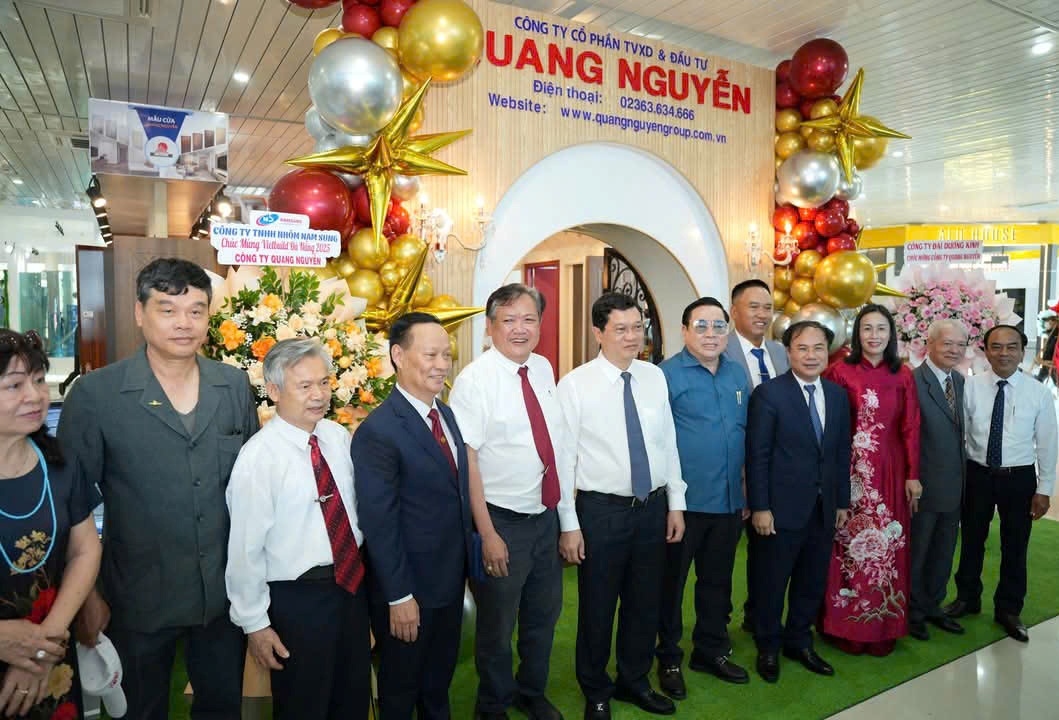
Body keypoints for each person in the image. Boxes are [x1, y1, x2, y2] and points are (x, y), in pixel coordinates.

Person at [58, 258, 259, 719]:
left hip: (222, 594)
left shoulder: (232, 385)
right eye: (167, 310)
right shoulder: (97, 395)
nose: (183, 323)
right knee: (141, 710)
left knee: (222, 708)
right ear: (139, 313)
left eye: (196, 311)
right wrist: (87, 595)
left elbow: (252, 487)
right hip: (136, 596)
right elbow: (71, 502)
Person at [557, 292, 686, 720]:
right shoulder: (575, 385)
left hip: (652, 508)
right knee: (597, 606)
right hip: (601, 511)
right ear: (599, 333)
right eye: (621, 329)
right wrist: (569, 523)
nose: (633, 337)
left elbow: (668, 443)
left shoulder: (654, 377)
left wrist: (676, 503)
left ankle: (635, 680)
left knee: (645, 601)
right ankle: (596, 690)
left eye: (637, 328)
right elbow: (564, 459)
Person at [225, 339, 370, 719]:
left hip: (350, 589)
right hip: (298, 601)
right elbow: (245, 550)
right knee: (304, 705)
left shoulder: (336, 437)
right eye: (304, 386)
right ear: (274, 391)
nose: (318, 395)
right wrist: (255, 624)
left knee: (352, 699)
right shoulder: (258, 458)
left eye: (324, 383)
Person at [449, 284, 571, 720]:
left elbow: (555, 444)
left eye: (529, 319)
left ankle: (531, 692)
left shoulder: (542, 367)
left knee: (543, 616)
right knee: (497, 626)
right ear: (490, 326)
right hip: (501, 522)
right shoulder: (474, 381)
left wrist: (566, 522)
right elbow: (468, 463)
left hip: (544, 517)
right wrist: (487, 534)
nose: (520, 329)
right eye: (509, 320)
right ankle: (492, 705)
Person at [351, 312, 473, 720]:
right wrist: (399, 596)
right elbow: (379, 523)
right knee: (401, 692)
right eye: (430, 355)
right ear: (398, 356)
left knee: (437, 687)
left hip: (448, 583)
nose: (441, 364)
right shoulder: (379, 431)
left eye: (446, 355)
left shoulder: (445, 415)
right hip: (410, 593)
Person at [0, 329, 102, 719]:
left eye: (40, 380)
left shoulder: (60, 464)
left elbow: (84, 550)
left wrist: (46, 643)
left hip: (50, 658)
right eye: (14, 385)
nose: (35, 395)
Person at [654, 297, 750, 700]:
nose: (711, 334)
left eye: (718, 326)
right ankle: (668, 658)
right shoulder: (664, 375)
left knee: (717, 583)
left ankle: (710, 650)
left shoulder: (737, 373)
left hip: (728, 502)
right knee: (671, 587)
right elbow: (657, 442)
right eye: (701, 326)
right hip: (683, 506)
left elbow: (745, 434)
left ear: (728, 331)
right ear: (684, 331)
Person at [746, 320, 850, 684]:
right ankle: (768, 646)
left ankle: (799, 641)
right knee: (771, 582)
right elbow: (757, 455)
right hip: (779, 510)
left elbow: (840, 452)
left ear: (828, 352)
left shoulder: (836, 396)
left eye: (818, 348)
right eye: (802, 348)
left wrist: (841, 501)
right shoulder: (769, 395)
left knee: (811, 581)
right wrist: (761, 507)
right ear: (788, 352)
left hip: (823, 508)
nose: (811, 355)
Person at [819, 304, 920, 657]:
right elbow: (830, 427)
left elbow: (911, 427)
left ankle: (883, 627)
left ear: (891, 334)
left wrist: (913, 475)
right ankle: (844, 626)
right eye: (867, 328)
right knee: (848, 544)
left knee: (888, 547)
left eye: (881, 328)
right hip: (850, 471)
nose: (874, 335)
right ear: (857, 334)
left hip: (891, 471)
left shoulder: (903, 374)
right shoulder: (838, 371)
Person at [945, 325, 1057, 642]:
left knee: (1015, 545)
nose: (1003, 353)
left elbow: (1048, 444)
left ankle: (1008, 609)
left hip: (1019, 477)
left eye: (1011, 347)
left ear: (1022, 351)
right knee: (971, 540)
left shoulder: (1038, 393)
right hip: (977, 474)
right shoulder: (970, 387)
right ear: (986, 351)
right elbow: (959, 434)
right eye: (996, 347)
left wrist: (1044, 489)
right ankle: (967, 598)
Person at [723, 279, 789, 632]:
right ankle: (718, 626)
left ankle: (759, 615)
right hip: (732, 470)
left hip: (774, 470)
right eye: (754, 307)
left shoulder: (781, 352)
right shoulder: (720, 351)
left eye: (768, 307)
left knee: (768, 550)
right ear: (734, 311)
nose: (762, 314)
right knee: (721, 557)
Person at [908, 320, 968, 641]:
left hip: (954, 485)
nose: (954, 350)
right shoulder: (912, 382)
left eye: (960, 345)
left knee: (944, 550)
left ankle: (933, 605)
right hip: (923, 486)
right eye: (947, 343)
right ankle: (913, 612)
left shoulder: (959, 381)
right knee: (918, 552)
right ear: (928, 344)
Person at [1034, 310, 1057, 383]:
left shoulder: (1056, 338)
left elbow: (1056, 361)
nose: (1046, 323)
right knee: (1038, 380)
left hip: (1054, 371)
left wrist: (1043, 362)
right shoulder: (1051, 336)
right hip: (1048, 368)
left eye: (1048, 321)